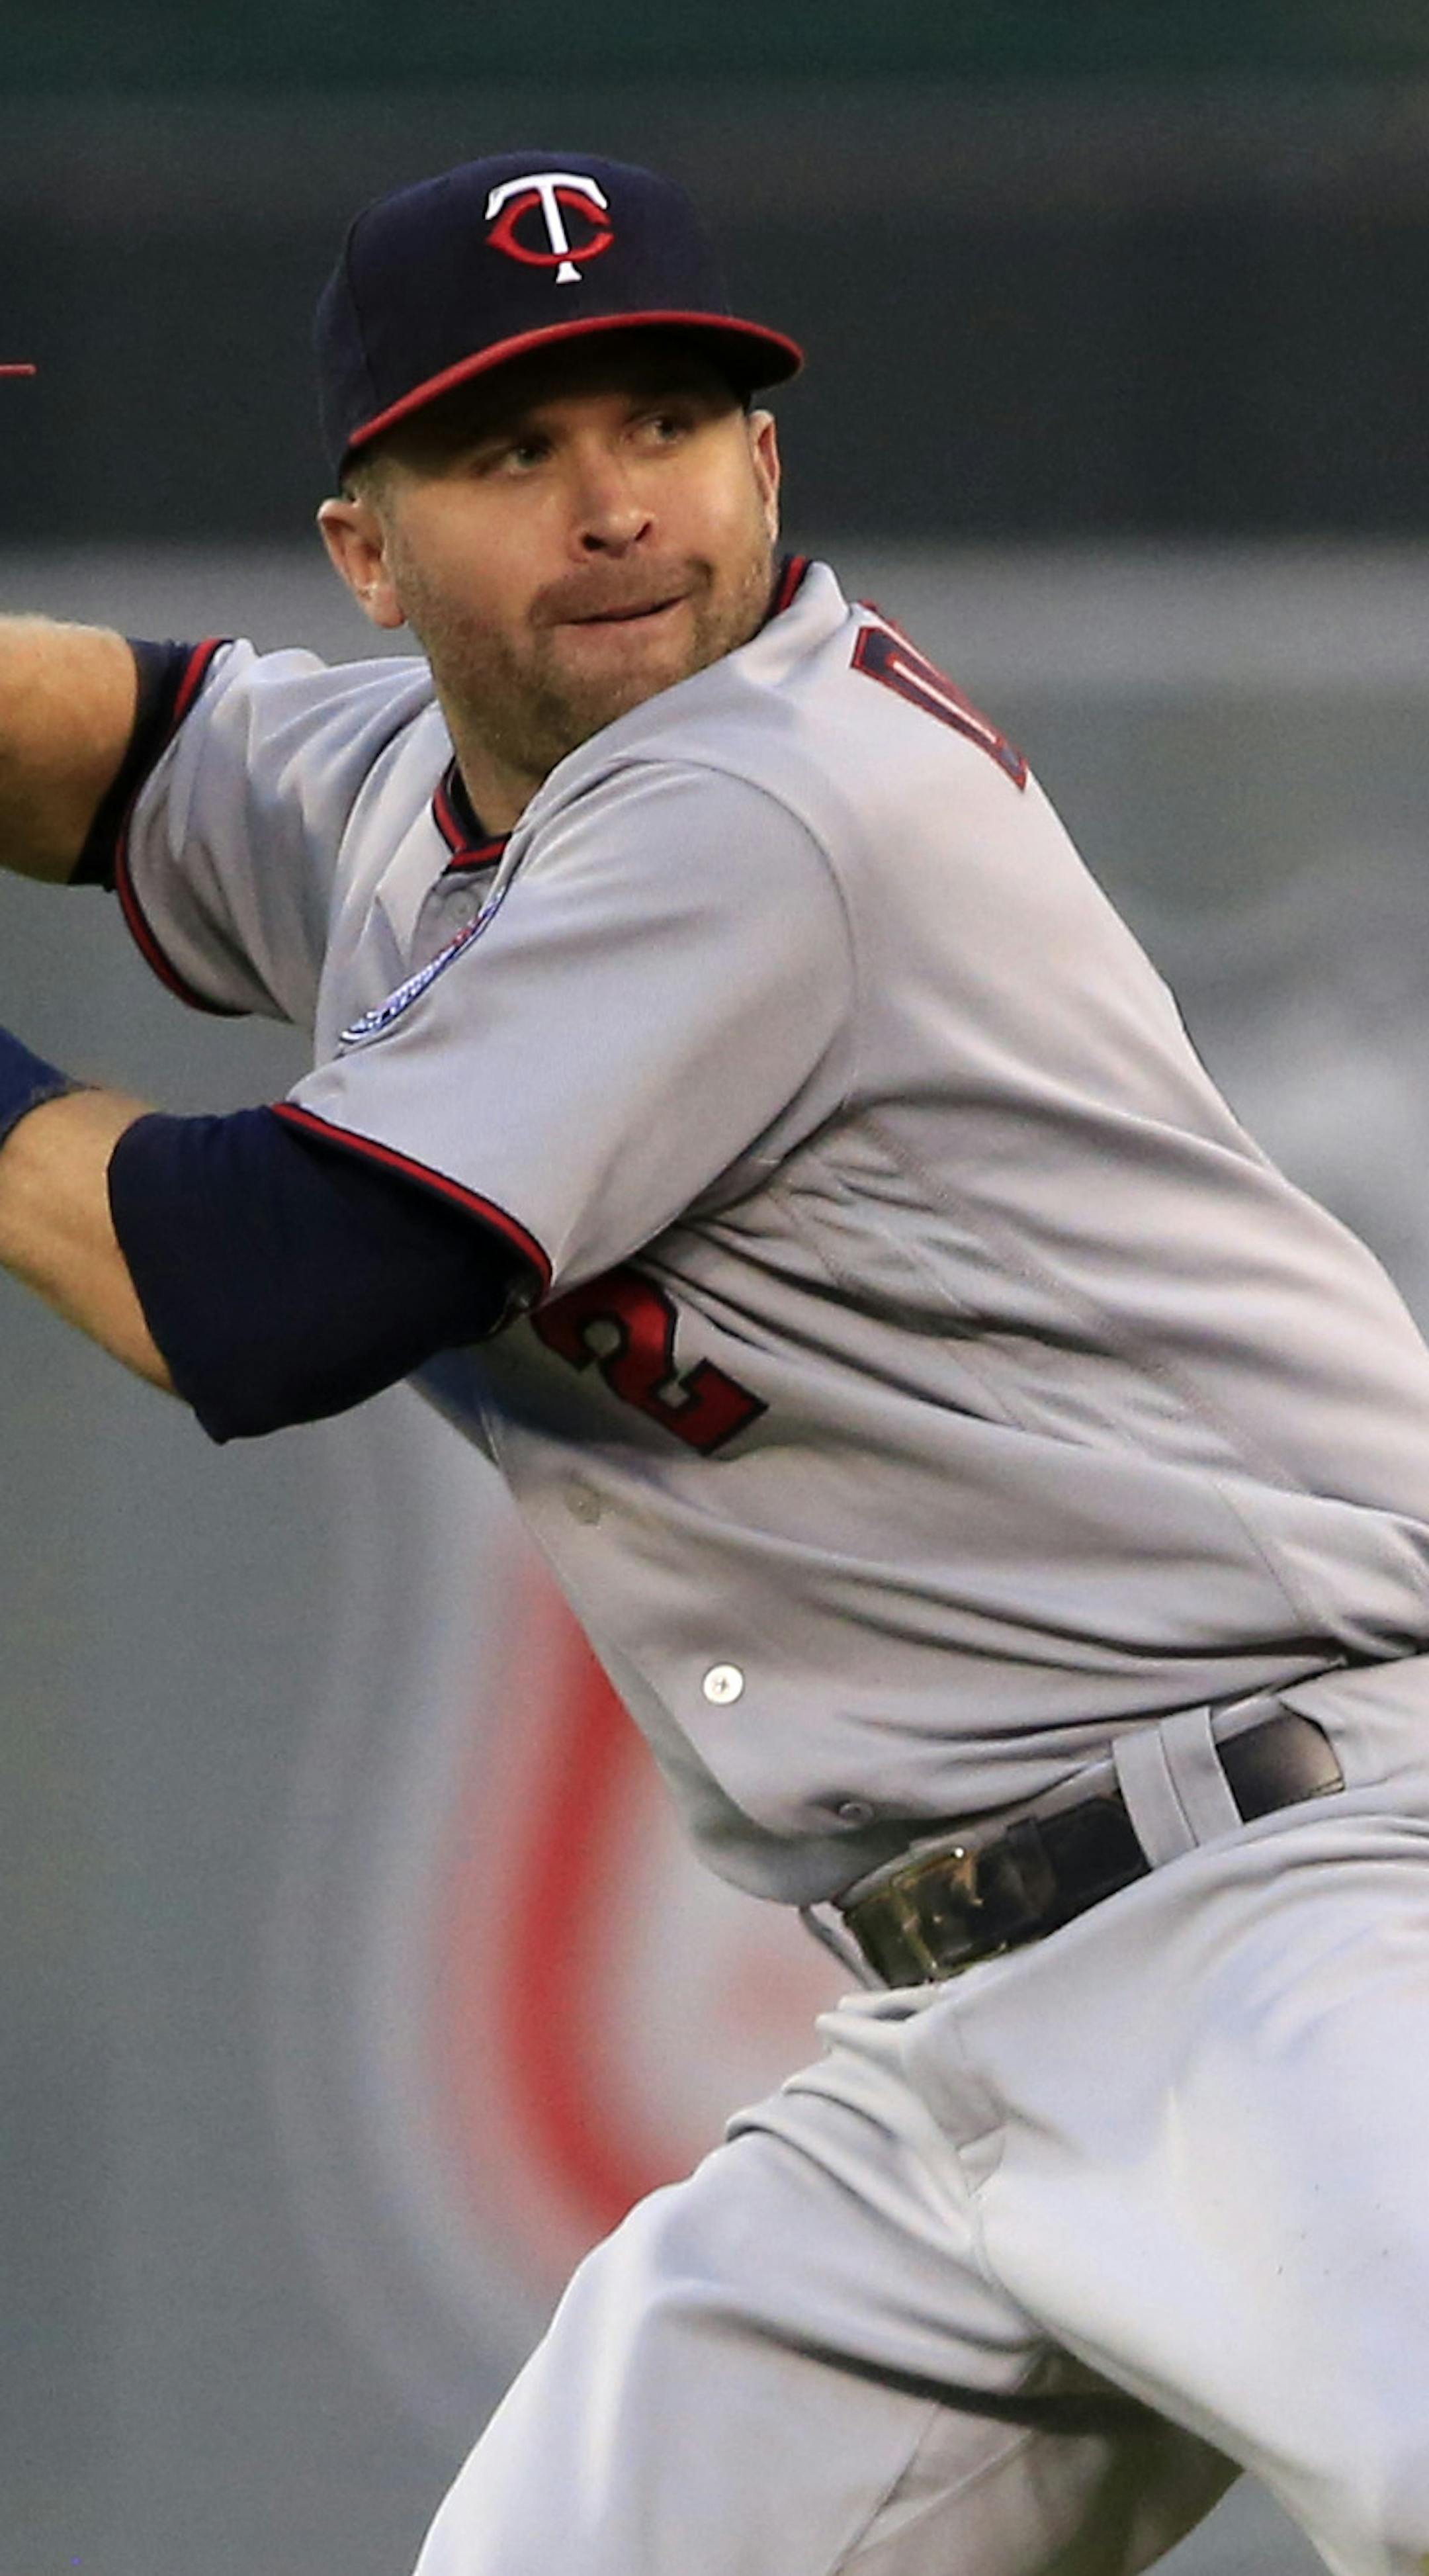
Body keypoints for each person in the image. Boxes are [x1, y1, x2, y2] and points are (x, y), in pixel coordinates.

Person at [3, 148, 1429, 2576]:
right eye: (505, 449)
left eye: (666, 420)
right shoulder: (415, 788)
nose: (611, 508)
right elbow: (119, 743)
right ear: (366, 547)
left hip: (1301, 1897)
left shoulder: (768, 801)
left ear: (766, 460)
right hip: (941, 2035)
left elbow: (247, 1284)